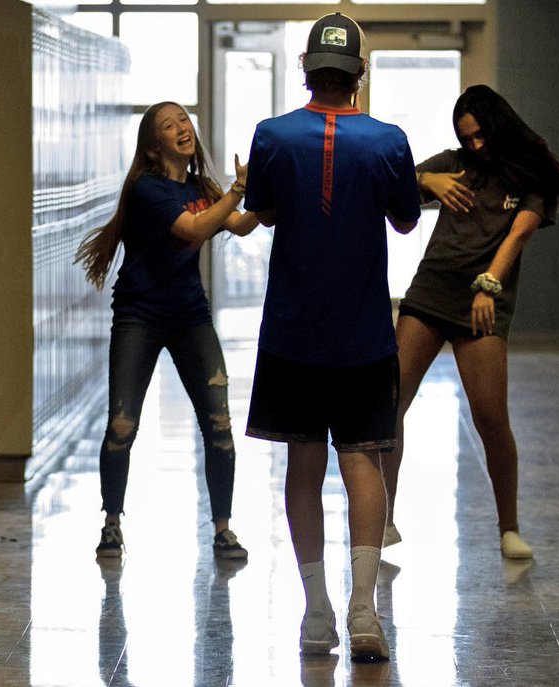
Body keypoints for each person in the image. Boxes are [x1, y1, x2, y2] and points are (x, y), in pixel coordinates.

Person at [242, 12, 421, 662]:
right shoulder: (387, 141)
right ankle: (363, 609)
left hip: (291, 333)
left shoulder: (271, 136)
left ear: (305, 70)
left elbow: (262, 211)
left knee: (303, 462)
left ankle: (316, 611)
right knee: (362, 459)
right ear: (359, 76)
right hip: (364, 334)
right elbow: (405, 221)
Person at [382, 84, 559, 560]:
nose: (476, 147)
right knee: (388, 404)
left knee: (490, 418)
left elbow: (520, 232)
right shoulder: (452, 162)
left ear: (499, 125)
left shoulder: (530, 171)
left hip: (482, 301)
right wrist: (428, 182)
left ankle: (509, 527)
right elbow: (389, 184)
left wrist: (490, 283)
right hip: (431, 293)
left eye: (481, 136)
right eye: (467, 139)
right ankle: (382, 518)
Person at [75, 101, 258, 560]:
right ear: (154, 147)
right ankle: (111, 523)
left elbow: (240, 224)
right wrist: (237, 190)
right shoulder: (147, 189)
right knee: (122, 425)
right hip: (140, 315)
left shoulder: (201, 187)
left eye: (184, 120)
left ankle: (223, 529)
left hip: (189, 315)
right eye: (169, 125)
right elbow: (195, 229)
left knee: (219, 423)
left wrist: (269, 193)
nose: (182, 128)